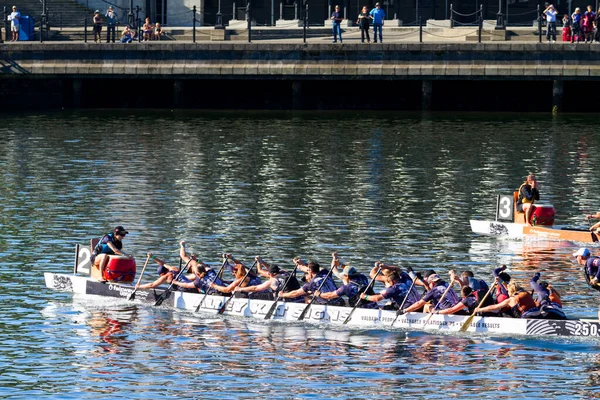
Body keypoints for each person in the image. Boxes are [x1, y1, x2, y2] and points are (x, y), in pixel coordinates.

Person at [280, 262, 344, 306]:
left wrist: (283, 295)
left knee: (306, 298)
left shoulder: (311, 284)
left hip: (329, 304)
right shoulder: (325, 273)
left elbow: (296, 293)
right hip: (340, 301)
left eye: (307, 271)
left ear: (310, 271)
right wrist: (301, 265)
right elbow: (320, 269)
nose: (307, 272)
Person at [235, 262, 302, 301]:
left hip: (283, 300)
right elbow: (269, 269)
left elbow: (255, 288)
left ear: (270, 274)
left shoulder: (272, 281)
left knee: (252, 294)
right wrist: (261, 261)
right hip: (296, 298)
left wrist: (240, 289)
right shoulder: (286, 272)